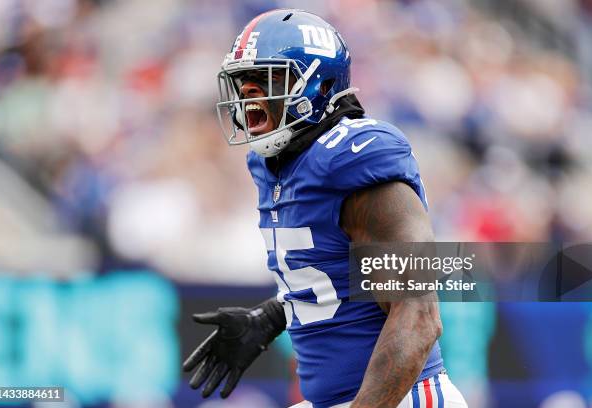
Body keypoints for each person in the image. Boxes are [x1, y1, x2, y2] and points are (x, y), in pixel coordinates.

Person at [183, 9, 467, 408]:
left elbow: (418, 315)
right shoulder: (271, 164)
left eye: (266, 80)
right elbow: (336, 274)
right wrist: (272, 317)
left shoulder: (355, 156)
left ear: (317, 82)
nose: (249, 96)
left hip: (403, 398)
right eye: (243, 83)